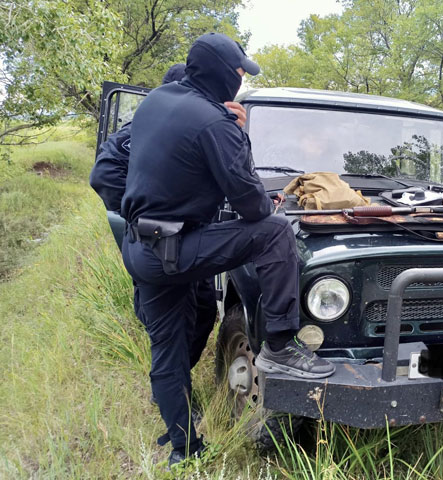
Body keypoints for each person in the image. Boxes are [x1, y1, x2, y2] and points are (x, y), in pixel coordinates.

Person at [119, 33, 335, 467]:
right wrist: (238, 132)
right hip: (179, 247)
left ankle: (183, 449)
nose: (240, 78)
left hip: (142, 248)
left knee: (167, 349)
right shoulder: (216, 122)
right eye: (238, 71)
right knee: (274, 231)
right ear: (220, 73)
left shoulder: (157, 100)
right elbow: (253, 205)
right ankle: (279, 344)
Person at [90, 64, 247, 386]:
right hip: (159, 242)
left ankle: (177, 379)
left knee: (203, 310)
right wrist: (147, 213)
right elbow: (104, 175)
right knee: (171, 321)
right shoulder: (149, 128)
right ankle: (172, 392)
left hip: (191, 240)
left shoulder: (201, 129)